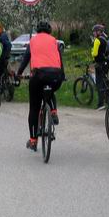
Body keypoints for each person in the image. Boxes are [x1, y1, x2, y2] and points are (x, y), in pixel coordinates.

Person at [16, 21, 64, 151]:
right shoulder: (55, 41)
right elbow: (60, 60)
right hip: (56, 76)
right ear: (49, 32)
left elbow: (26, 59)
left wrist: (18, 74)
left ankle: (33, 141)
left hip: (38, 76)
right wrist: (62, 76)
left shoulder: (33, 41)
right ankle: (53, 112)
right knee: (50, 90)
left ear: (37, 31)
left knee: (34, 108)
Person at [91, 24, 109, 110]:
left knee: (99, 83)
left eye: (94, 32)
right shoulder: (105, 39)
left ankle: (100, 104)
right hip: (107, 62)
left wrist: (91, 52)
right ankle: (108, 100)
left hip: (99, 63)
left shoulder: (97, 40)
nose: (93, 33)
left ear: (98, 32)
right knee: (104, 81)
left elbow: (95, 53)